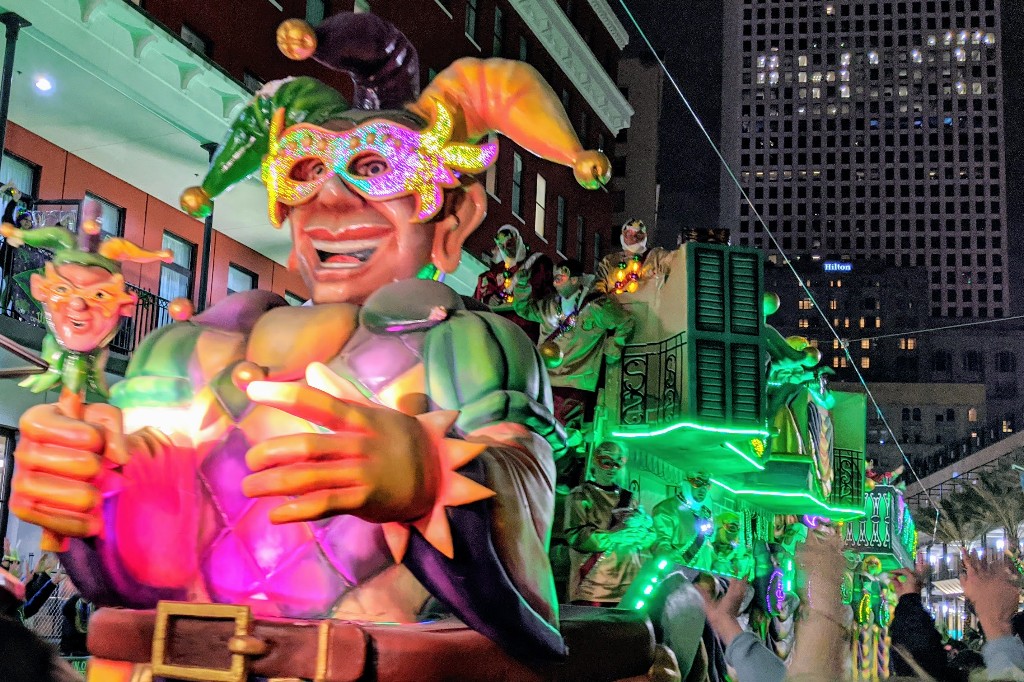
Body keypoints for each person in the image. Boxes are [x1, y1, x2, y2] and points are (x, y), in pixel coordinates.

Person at [10, 10, 613, 674]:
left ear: (452, 218)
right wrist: (95, 493)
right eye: (305, 169)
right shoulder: (187, 351)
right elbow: (135, 577)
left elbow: (525, 556)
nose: (331, 202)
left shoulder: (466, 349)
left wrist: (429, 477)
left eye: (377, 167)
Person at [513, 258, 635, 431]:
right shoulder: (550, 305)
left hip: (574, 384)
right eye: (554, 278)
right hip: (544, 379)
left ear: (574, 279)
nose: (555, 283)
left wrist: (614, 345)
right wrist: (522, 285)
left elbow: (626, 321)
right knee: (531, 425)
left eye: (560, 278)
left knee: (559, 430)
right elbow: (523, 309)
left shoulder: (597, 306)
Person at [564, 441, 654, 606]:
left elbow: (643, 540)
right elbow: (575, 536)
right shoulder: (580, 495)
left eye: (618, 463)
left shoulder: (628, 498)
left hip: (629, 584)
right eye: (606, 462)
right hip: (594, 586)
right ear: (595, 461)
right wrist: (616, 537)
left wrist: (645, 533)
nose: (612, 468)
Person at [595, 219, 672, 296]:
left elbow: (675, 261)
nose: (634, 238)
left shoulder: (656, 256)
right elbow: (597, 287)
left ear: (645, 236)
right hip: (615, 305)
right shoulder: (609, 261)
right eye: (629, 234)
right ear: (623, 236)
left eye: (639, 235)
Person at [474, 224, 541, 308]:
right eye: (502, 246)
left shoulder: (535, 264)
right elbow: (483, 288)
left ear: (517, 240)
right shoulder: (498, 270)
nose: (506, 249)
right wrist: (489, 298)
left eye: (509, 244)